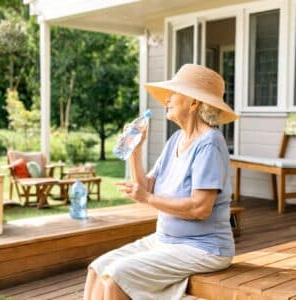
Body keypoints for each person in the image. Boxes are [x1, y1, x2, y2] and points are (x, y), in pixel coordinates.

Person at [84, 64, 239, 300]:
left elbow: (200, 208)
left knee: (116, 276)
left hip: (203, 247)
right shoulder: (176, 139)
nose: (167, 98)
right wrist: (135, 151)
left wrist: (147, 198)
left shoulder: (210, 144)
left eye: (174, 93)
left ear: (194, 103)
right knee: (98, 268)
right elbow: (146, 187)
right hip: (165, 240)